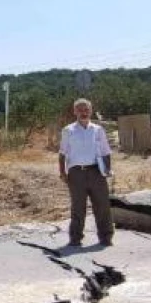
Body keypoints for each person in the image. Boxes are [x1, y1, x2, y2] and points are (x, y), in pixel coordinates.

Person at [58, 98, 114, 247]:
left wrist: (108, 169)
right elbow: (62, 153)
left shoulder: (98, 130)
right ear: (75, 111)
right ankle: (75, 238)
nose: (84, 112)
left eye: (86, 109)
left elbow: (106, 151)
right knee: (78, 207)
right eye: (80, 110)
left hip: (96, 172)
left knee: (102, 205)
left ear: (91, 111)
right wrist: (62, 172)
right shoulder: (68, 130)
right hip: (76, 173)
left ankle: (106, 237)